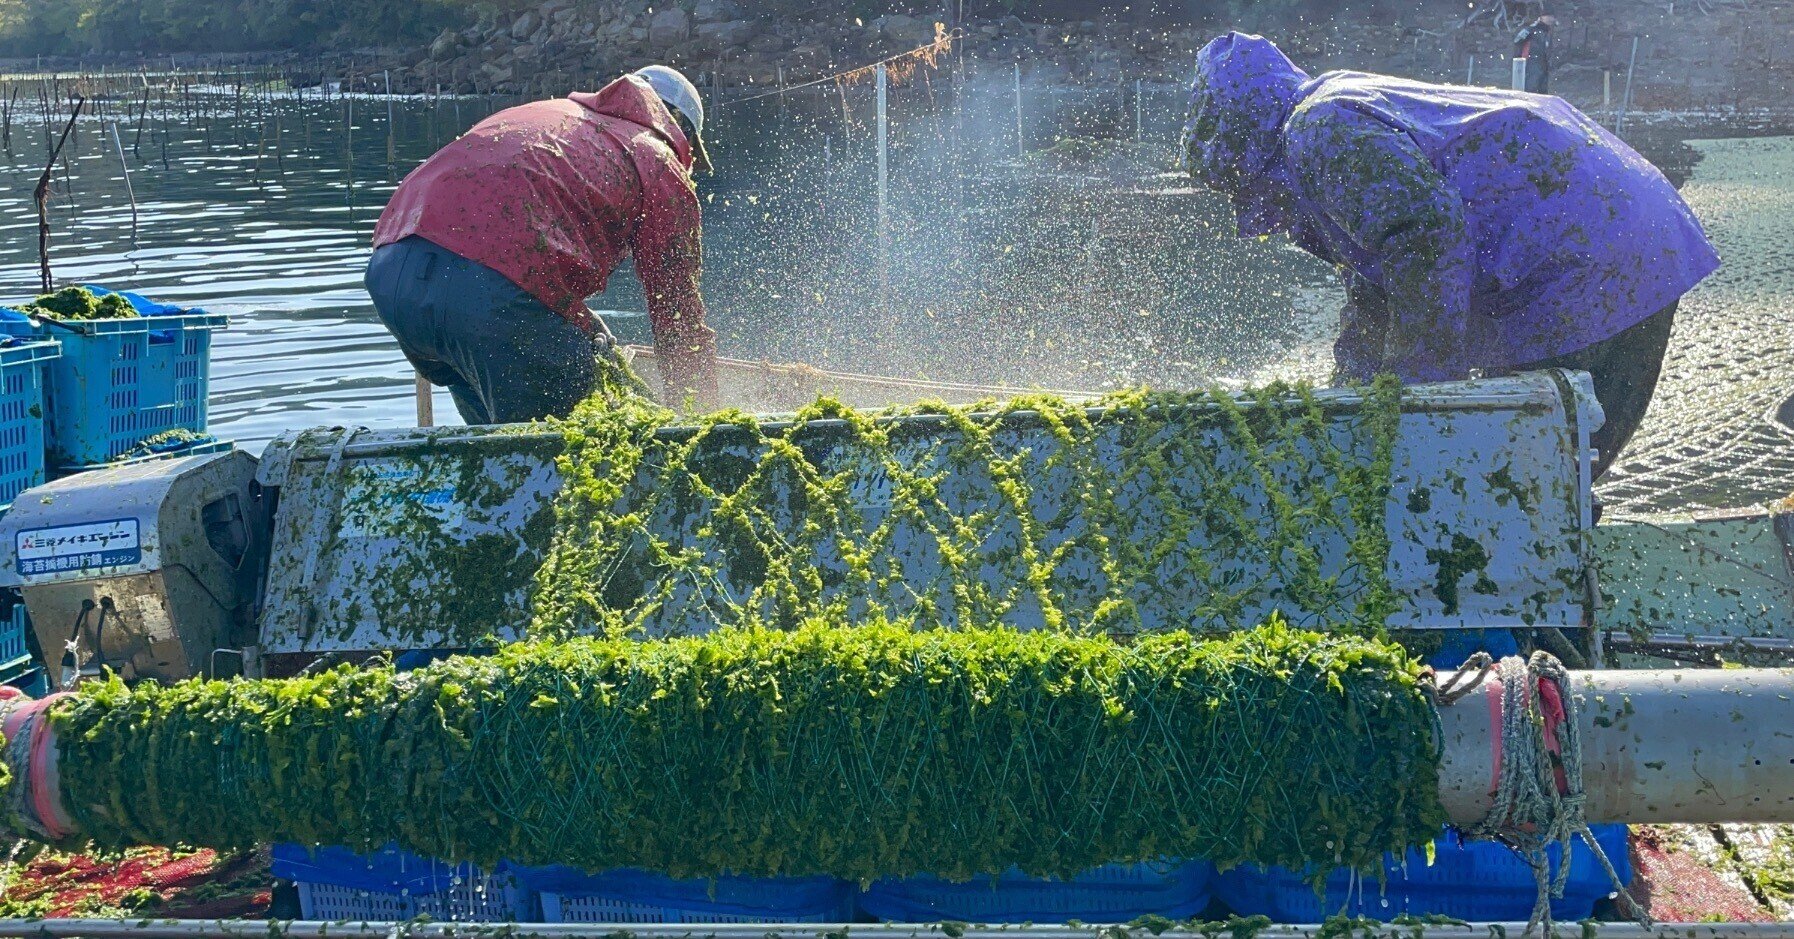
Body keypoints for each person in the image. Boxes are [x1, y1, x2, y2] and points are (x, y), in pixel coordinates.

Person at [1181, 32, 1719, 479]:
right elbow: (1381, 291)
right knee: (1548, 471)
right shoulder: (1335, 109)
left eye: (1238, 188)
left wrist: (1412, 398)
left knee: (1515, 477)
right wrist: (1346, 397)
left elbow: (1426, 240)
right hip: (1640, 236)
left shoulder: (1317, 131)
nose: (1245, 206)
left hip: (1584, 260)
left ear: (1247, 143)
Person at [366, 65, 719, 425]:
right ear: (680, 131)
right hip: (485, 295)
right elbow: (678, 315)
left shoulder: (553, 114)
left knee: (500, 443)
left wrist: (580, 321)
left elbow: (502, 237)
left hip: (394, 277)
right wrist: (698, 421)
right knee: (583, 430)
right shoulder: (657, 156)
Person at [1512, 15, 1556, 93]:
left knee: (1543, 90)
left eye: (1552, 17)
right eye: (1548, 16)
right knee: (1530, 89)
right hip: (1530, 63)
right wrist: (1530, 29)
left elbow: (1549, 49)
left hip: (1543, 65)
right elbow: (1517, 40)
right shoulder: (1531, 29)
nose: (1551, 19)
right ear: (1542, 17)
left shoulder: (1548, 31)